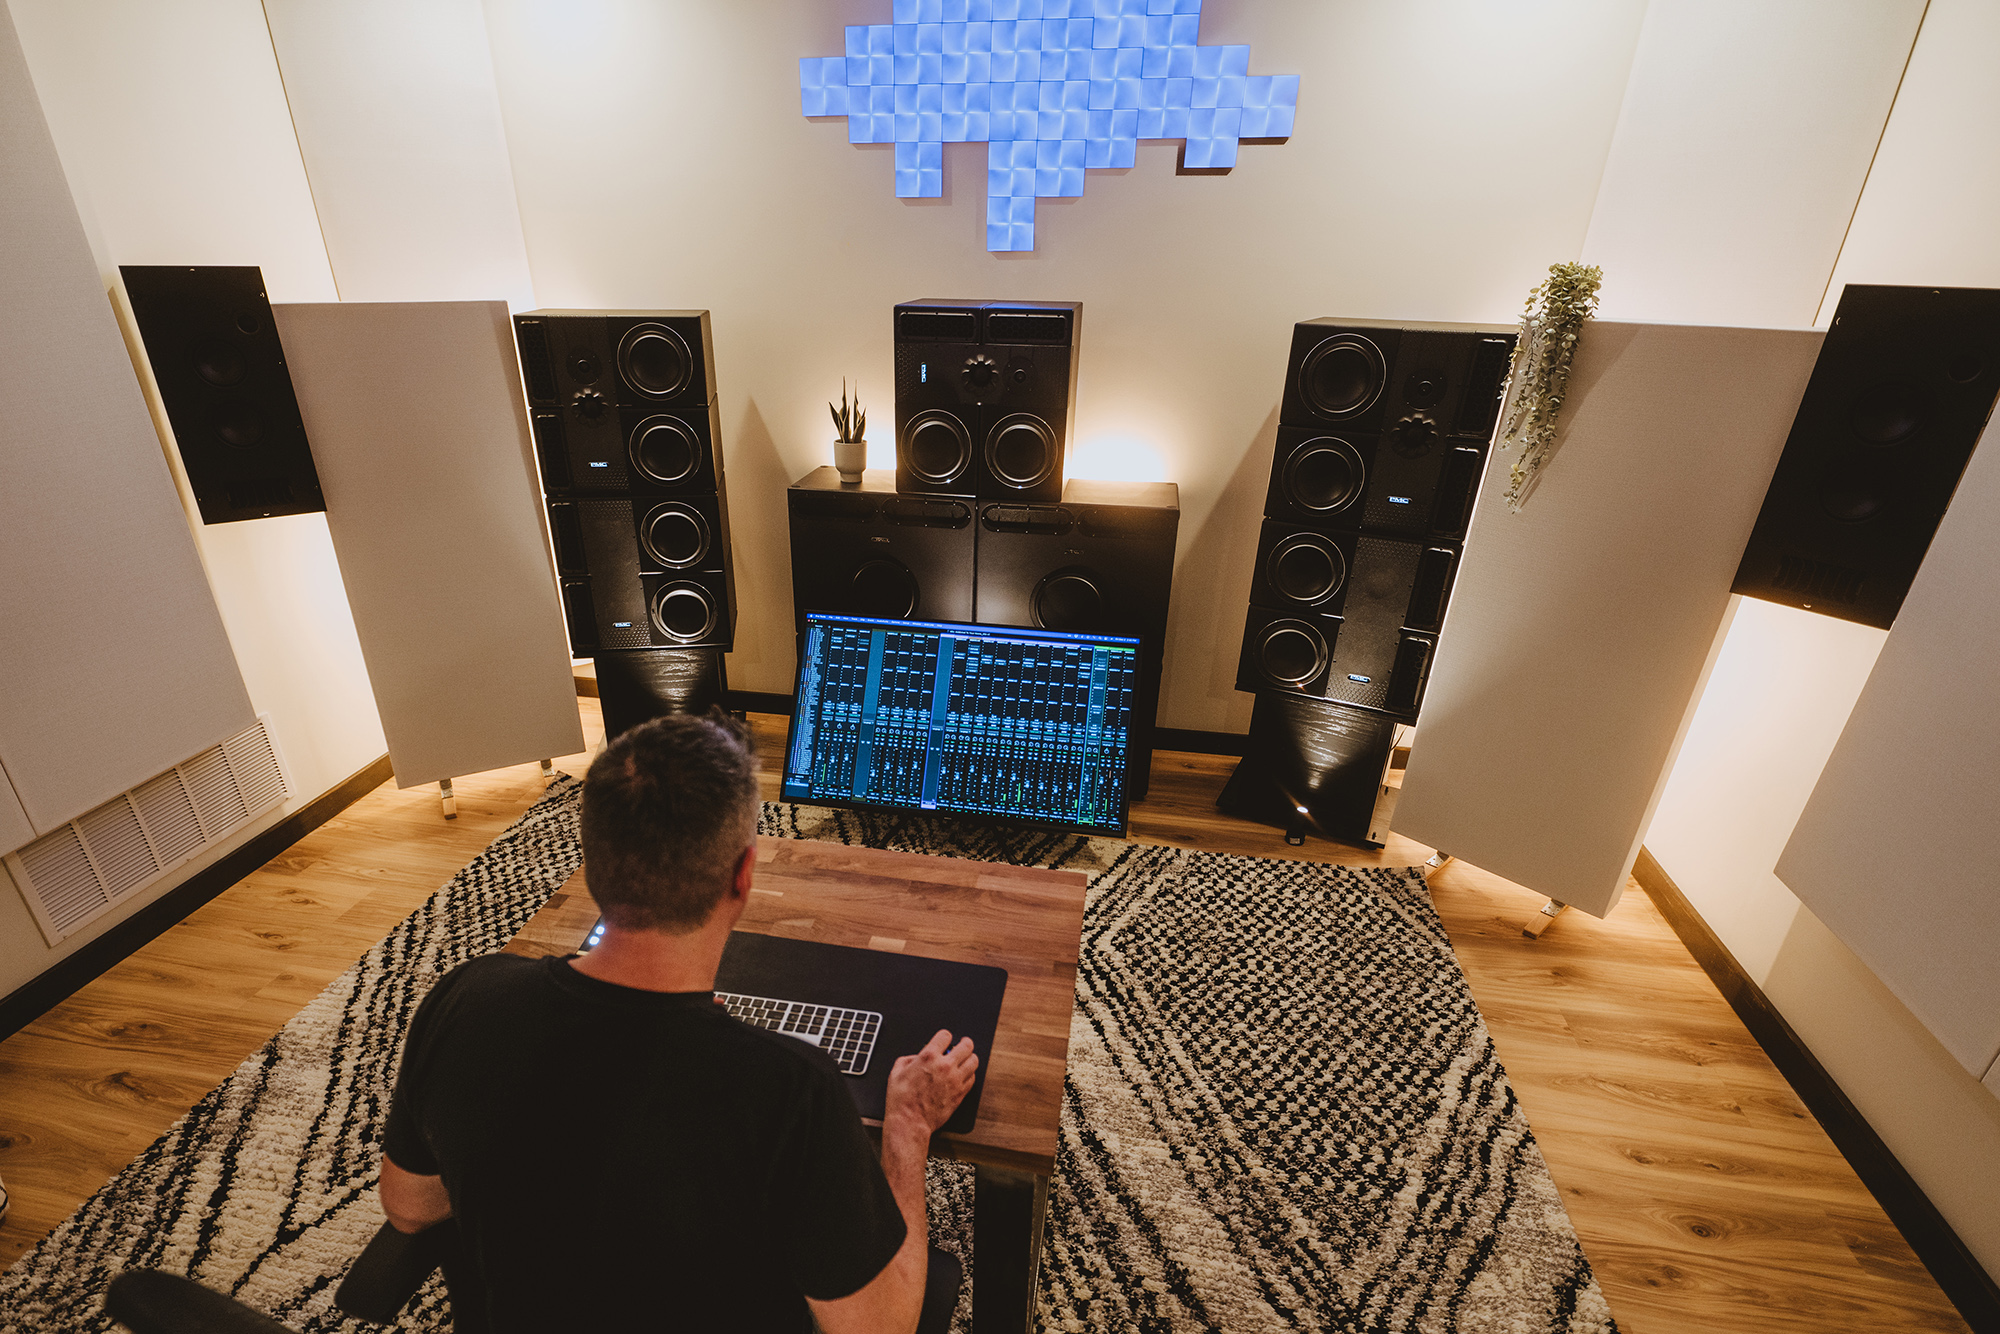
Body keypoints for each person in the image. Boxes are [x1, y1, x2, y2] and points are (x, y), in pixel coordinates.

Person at [378, 713, 978, 1334]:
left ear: (590, 867)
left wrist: (530, 1157)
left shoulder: (468, 998)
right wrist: (907, 1128)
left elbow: (408, 1207)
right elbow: (880, 1330)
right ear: (743, 876)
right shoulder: (789, 1089)